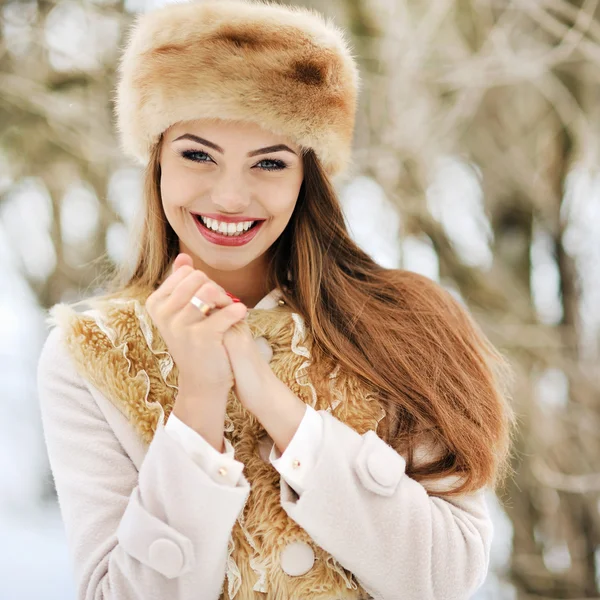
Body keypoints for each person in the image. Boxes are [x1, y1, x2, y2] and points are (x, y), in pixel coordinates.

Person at [36, 1, 516, 599]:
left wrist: (274, 402)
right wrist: (200, 399)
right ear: (156, 157)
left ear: (306, 177)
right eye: (197, 154)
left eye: (268, 162)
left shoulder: (406, 325)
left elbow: (445, 579)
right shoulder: (91, 356)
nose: (231, 195)